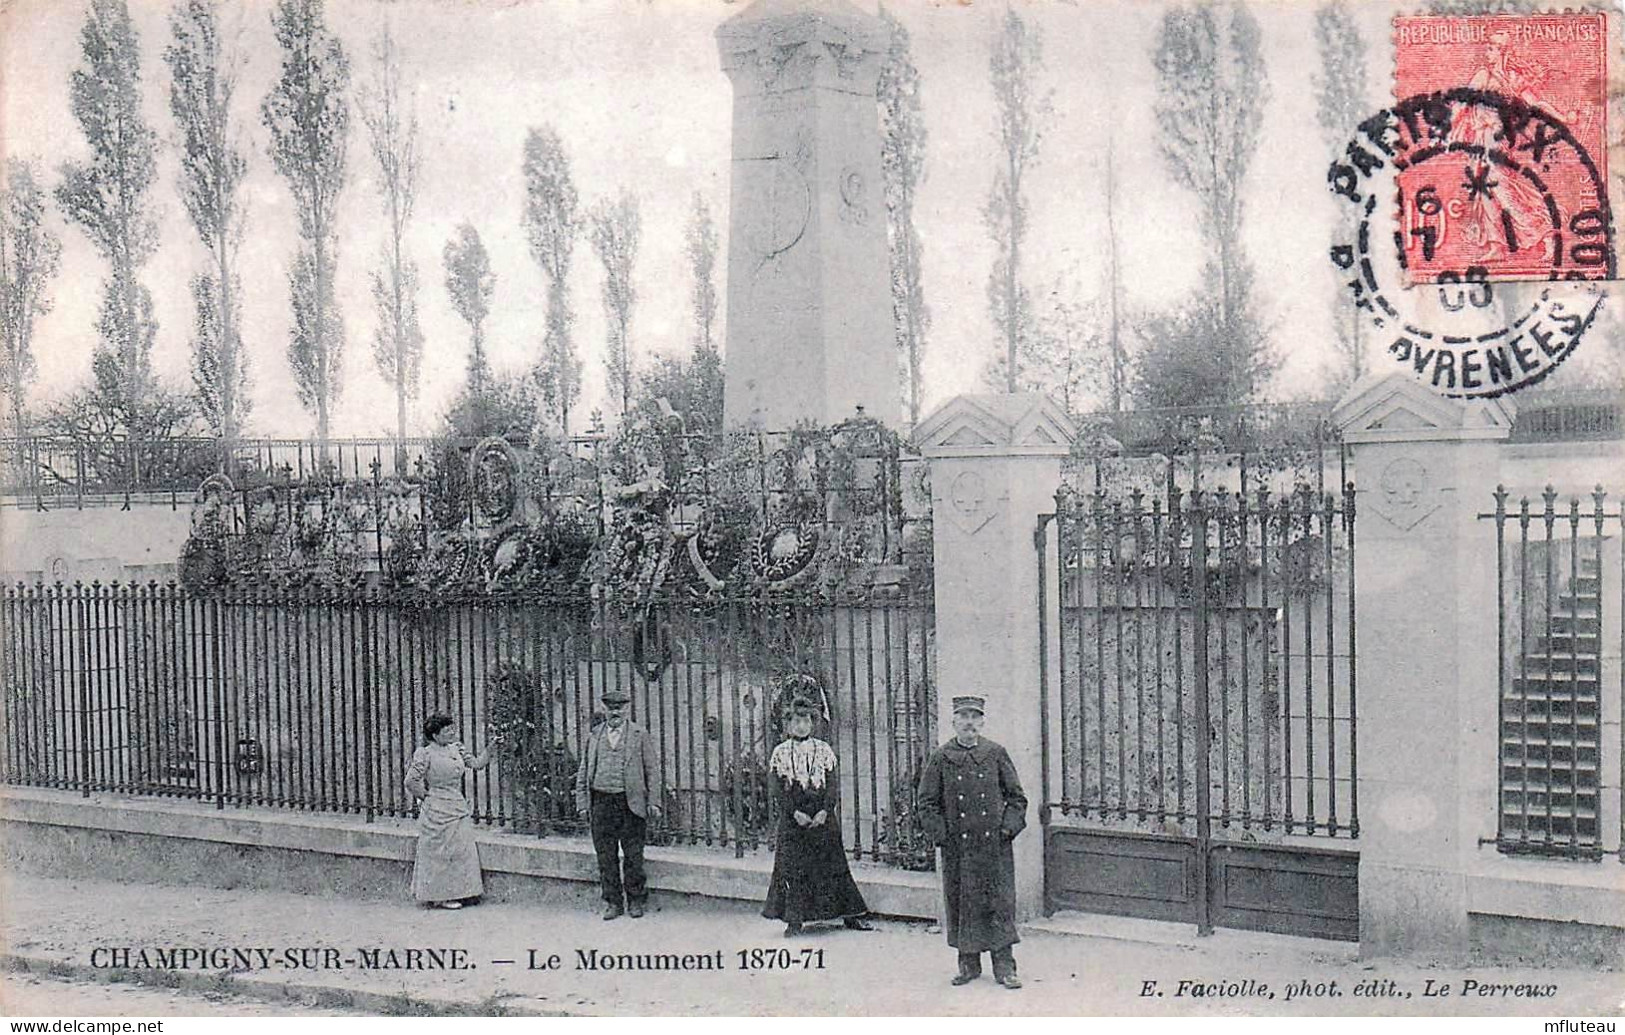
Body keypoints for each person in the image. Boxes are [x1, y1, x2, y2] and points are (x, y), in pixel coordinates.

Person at [916, 695, 1028, 989]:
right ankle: (968, 965)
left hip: (994, 847)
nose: (969, 723)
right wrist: (942, 835)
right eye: (963, 717)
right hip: (959, 849)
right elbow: (927, 802)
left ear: (982, 722)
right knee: (963, 904)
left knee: (998, 904)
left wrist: (1007, 830)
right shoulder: (941, 757)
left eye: (975, 717)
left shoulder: (995, 753)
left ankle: (1005, 967)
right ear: (953, 722)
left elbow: (1017, 798)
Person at [761, 696, 874, 937]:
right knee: (793, 868)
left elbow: (832, 785)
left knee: (834, 864)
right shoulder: (780, 753)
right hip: (794, 820)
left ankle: (850, 915)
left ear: (813, 723)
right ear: (788, 724)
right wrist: (794, 813)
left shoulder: (823, 750)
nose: (801, 725)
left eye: (806, 721)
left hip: (822, 817)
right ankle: (794, 920)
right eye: (796, 721)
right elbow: (777, 790)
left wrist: (825, 811)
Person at [573, 688, 662, 919]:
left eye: (619, 707)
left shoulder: (639, 735)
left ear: (626, 709)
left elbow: (652, 771)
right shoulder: (594, 735)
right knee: (605, 856)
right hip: (601, 802)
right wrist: (582, 803)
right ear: (604, 709)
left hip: (630, 803)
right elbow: (583, 771)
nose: (615, 711)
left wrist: (654, 801)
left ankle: (635, 900)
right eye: (610, 707)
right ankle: (613, 902)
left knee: (633, 855)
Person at [404, 714, 493, 910]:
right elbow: (410, 781)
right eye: (446, 730)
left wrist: (491, 747)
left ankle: (464, 892)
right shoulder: (425, 753)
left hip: (456, 804)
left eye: (452, 728)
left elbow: (477, 764)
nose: (452, 732)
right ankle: (440, 896)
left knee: (461, 849)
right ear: (435, 735)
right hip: (437, 807)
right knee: (439, 852)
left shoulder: (457, 748)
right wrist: (427, 797)